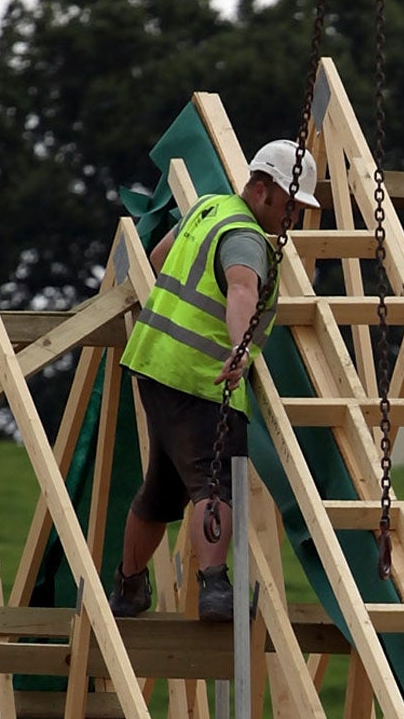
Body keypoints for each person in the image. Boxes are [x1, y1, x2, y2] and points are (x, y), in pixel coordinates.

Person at [111, 139, 319, 623]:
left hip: (152, 361)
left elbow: (160, 257)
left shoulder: (209, 209)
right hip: (199, 377)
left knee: (162, 489)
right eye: (291, 206)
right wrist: (240, 348)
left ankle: (128, 586)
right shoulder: (247, 238)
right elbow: (243, 289)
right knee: (217, 482)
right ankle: (215, 585)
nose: (296, 219)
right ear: (263, 189)